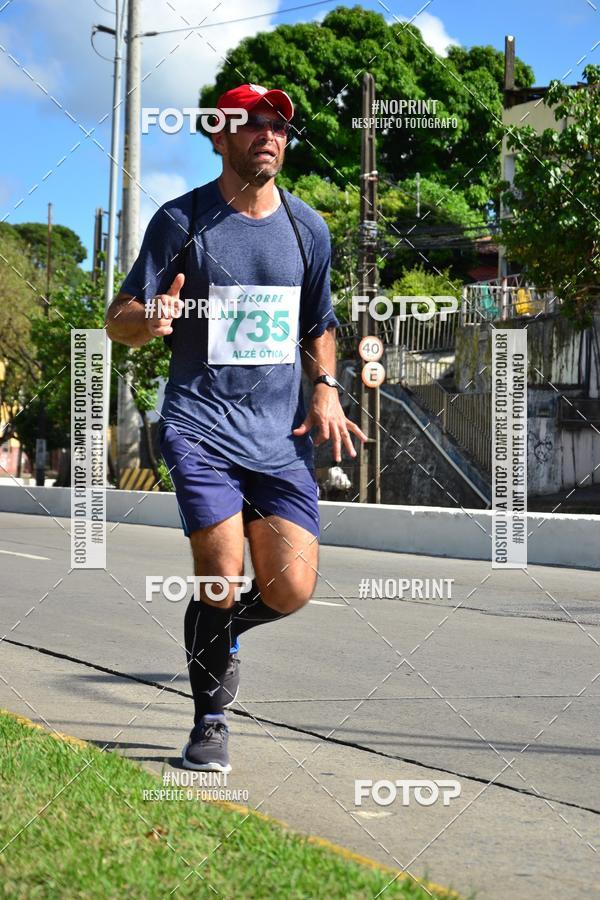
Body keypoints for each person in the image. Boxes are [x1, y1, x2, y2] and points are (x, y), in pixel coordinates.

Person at [106, 82, 366, 773]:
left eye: (279, 126)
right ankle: (209, 721)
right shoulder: (180, 220)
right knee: (220, 572)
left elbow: (320, 325)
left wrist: (327, 391)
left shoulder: (308, 229)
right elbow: (119, 316)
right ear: (218, 138)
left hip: (278, 439)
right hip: (199, 427)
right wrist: (147, 322)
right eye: (252, 125)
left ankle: (220, 635)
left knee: (291, 587)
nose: (269, 136)